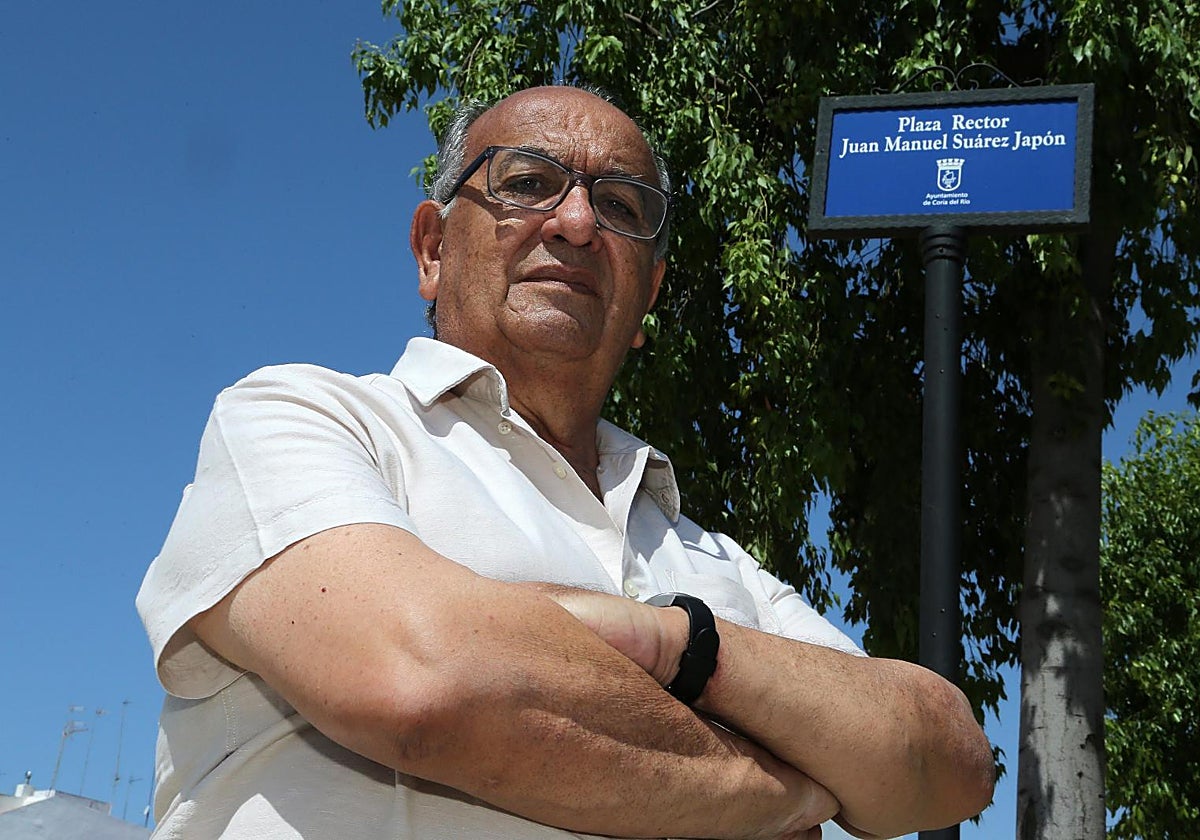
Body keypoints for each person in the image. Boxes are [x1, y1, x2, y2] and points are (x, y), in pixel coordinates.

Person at [137, 84, 994, 840]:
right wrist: (794, 787)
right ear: (433, 249)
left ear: (649, 295)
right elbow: (421, 682)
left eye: (622, 205)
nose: (577, 223)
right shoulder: (312, 419)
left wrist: (673, 641)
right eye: (528, 184)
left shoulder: (708, 558)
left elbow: (948, 762)